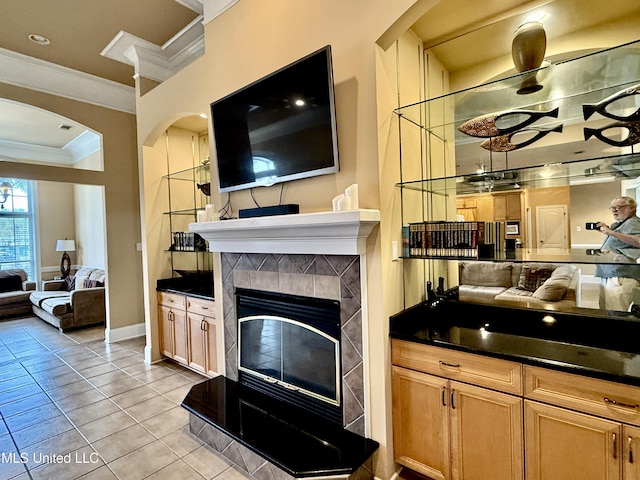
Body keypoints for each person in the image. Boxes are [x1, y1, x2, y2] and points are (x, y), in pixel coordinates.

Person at [594, 196, 640, 311]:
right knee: (606, 311)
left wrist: (611, 232)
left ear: (631, 208)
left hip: (621, 276)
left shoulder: (633, 222)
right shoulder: (621, 223)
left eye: (619, 207)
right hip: (610, 273)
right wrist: (609, 231)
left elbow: (638, 241)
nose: (614, 210)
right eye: (612, 207)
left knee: (616, 313)